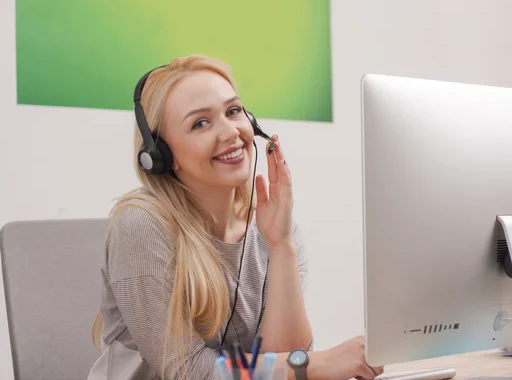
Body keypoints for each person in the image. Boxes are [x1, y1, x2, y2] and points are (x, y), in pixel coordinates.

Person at [88, 54, 384, 380]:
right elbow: (187, 373)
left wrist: (281, 244)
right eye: (200, 123)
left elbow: (277, 365)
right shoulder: (141, 225)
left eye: (233, 111)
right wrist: (316, 365)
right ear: (161, 155)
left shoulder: (269, 224)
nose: (231, 131)